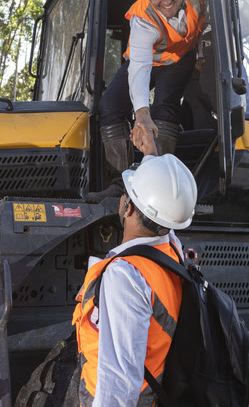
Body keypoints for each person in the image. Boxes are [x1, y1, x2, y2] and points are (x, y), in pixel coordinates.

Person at [71, 130, 198, 406]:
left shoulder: (126, 276)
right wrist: (151, 155)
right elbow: (164, 206)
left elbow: (118, 382)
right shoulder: (171, 248)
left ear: (127, 208)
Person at [97, 0, 210, 193]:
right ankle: (121, 183)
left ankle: (159, 181)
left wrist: (203, 53)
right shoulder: (142, 18)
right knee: (110, 105)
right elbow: (139, 68)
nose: (166, 0)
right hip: (148, 61)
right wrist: (141, 114)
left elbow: (209, 21)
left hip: (180, 59)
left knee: (165, 105)